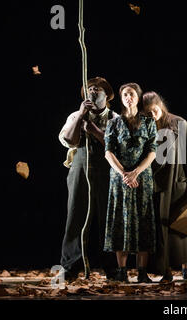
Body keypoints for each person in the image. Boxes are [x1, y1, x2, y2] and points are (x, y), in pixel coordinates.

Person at [59, 76, 118, 281]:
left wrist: (93, 130)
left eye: (98, 89)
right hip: (80, 168)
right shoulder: (76, 115)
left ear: (106, 97)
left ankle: (112, 267)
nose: (93, 91)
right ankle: (70, 266)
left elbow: (118, 147)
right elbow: (68, 139)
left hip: (107, 170)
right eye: (89, 88)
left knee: (107, 219)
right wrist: (81, 116)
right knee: (75, 216)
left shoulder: (114, 118)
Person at [104, 83, 158, 283]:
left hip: (142, 178)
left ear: (138, 97)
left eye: (132, 94)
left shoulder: (148, 121)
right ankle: (122, 271)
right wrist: (124, 174)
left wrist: (136, 172)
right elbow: (108, 152)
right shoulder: (113, 123)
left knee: (143, 221)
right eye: (125, 94)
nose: (129, 97)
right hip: (120, 180)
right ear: (122, 98)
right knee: (121, 221)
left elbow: (152, 150)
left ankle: (142, 272)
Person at [142, 91, 187, 282]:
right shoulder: (145, 124)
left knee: (181, 224)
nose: (152, 115)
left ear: (161, 106)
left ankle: (186, 266)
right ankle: (165, 270)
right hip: (156, 183)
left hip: (177, 180)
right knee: (161, 227)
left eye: (155, 110)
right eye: (148, 112)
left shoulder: (178, 122)